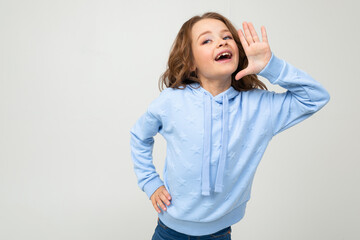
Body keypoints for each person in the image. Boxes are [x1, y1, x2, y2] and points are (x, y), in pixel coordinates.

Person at [130, 12, 330, 240]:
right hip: (169, 231)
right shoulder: (172, 101)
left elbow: (316, 97)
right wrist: (150, 182)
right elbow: (139, 136)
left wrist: (270, 66)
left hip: (219, 234)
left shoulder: (259, 107)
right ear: (191, 63)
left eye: (227, 37)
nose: (222, 42)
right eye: (207, 40)